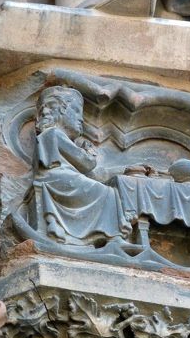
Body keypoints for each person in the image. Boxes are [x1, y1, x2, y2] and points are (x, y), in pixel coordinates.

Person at [28, 86, 130, 247]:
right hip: (57, 179)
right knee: (107, 193)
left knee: (105, 191)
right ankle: (112, 237)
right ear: (61, 111)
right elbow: (86, 163)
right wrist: (89, 152)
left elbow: (91, 173)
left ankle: (108, 236)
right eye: (76, 111)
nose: (81, 119)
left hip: (63, 178)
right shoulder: (53, 134)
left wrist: (122, 170)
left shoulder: (57, 136)